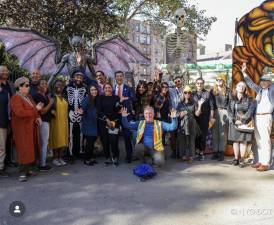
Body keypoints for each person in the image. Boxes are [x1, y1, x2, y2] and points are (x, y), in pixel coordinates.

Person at [242, 63, 274, 171]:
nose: (263, 82)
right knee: (259, 140)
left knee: (265, 140)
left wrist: (268, 72)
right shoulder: (260, 90)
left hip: (266, 117)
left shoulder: (272, 90)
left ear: (270, 82)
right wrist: (244, 72)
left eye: (266, 80)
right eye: (262, 80)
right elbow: (250, 84)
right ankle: (260, 160)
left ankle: (266, 163)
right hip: (257, 117)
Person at [10, 77, 43, 182]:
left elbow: (34, 109)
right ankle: (22, 173)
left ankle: (28, 170)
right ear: (19, 87)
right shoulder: (15, 98)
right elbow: (20, 113)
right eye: (26, 85)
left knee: (30, 149)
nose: (29, 87)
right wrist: (35, 111)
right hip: (22, 129)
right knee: (24, 149)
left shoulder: (28, 97)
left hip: (31, 127)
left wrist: (38, 117)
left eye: (29, 85)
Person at [227, 81, 255, 168]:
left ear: (245, 88)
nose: (241, 87)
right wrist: (234, 120)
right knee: (235, 141)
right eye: (239, 85)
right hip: (234, 123)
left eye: (243, 86)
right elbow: (229, 110)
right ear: (236, 87)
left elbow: (250, 111)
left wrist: (242, 120)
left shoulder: (249, 98)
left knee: (243, 141)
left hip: (245, 123)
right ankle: (236, 159)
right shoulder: (232, 98)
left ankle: (242, 159)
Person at [176, 85, 203, 163]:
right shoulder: (180, 104)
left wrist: (200, 105)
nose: (187, 94)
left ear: (191, 94)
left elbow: (197, 114)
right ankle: (183, 155)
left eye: (189, 92)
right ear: (183, 94)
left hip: (192, 123)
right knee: (182, 139)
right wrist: (182, 114)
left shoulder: (194, 103)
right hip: (183, 123)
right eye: (185, 92)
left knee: (192, 139)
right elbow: (177, 115)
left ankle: (191, 155)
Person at [32, 78, 54, 171]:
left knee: (43, 143)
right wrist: (51, 103)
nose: (45, 85)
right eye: (42, 83)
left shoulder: (45, 96)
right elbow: (43, 111)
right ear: (38, 86)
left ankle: (41, 162)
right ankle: (42, 164)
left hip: (46, 121)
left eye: (46, 83)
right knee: (44, 143)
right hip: (43, 122)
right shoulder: (38, 96)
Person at [97, 83, 121, 167]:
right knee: (105, 141)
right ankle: (107, 157)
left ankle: (116, 157)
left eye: (109, 87)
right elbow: (99, 111)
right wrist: (106, 119)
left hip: (113, 122)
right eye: (106, 88)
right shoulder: (100, 98)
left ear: (112, 89)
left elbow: (117, 109)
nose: (107, 89)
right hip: (103, 122)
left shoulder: (116, 97)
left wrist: (119, 105)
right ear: (103, 89)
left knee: (114, 141)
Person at [65, 71, 87, 160]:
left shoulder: (85, 88)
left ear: (82, 79)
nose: (79, 79)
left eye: (80, 77)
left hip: (80, 114)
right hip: (70, 113)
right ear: (74, 77)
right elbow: (64, 99)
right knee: (70, 134)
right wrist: (68, 111)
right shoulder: (67, 87)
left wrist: (83, 110)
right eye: (77, 77)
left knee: (81, 134)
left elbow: (86, 100)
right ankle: (70, 153)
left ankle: (80, 151)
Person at [114, 71, 135, 163]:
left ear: (123, 77)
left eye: (120, 76)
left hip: (126, 115)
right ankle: (115, 156)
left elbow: (134, 98)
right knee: (114, 136)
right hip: (115, 116)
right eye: (117, 76)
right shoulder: (112, 88)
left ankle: (129, 156)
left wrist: (127, 98)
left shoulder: (128, 88)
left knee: (127, 136)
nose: (119, 77)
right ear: (115, 78)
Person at [192, 77, 216, 160]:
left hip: (205, 118)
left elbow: (212, 107)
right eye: (198, 83)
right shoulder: (192, 94)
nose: (199, 85)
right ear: (196, 84)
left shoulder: (208, 94)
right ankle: (197, 151)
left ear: (203, 84)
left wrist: (211, 118)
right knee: (195, 136)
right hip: (195, 118)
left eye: (201, 83)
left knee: (203, 135)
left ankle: (202, 152)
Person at [211, 73, 231, 161]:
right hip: (215, 111)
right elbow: (211, 103)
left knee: (223, 133)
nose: (218, 81)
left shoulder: (228, 90)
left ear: (224, 81)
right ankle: (215, 152)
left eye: (220, 80)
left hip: (224, 111)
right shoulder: (212, 91)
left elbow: (231, 103)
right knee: (215, 132)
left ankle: (222, 152)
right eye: (217, 80)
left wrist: (229, 114)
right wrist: (211, 115)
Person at [49, 80, 68, 166]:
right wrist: (51, 111)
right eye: (57, 85)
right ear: (54, 86)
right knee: (56, 139)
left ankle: (60, 157)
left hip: (64, 121)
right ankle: (55, 158)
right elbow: (48, 107)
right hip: (55, 121)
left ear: (63, 87)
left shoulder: (64, 96)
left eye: (61, 85)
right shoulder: (51, 96)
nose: (59, 86)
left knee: (62, 139)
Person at [0, 66, 16, 168]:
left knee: (8, 141)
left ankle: (8, 161)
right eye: (2, 71)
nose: (5, 72)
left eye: (6, 71)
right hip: (0, 118)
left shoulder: (10, 84)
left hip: (9, 118)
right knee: (1, 145)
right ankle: (1, 167)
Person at [79, 85, 99, 166]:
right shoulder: (87, 99)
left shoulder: (96, 99)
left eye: (95, 90)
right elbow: (82, 109)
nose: (94, 91)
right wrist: (81, 112)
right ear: (89, 91)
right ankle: (86, 159)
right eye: (92, 90)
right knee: (89, 143)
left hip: (95, 125)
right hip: (88, 124)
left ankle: (90, 157)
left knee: (92, 142)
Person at [169, 76, 184, 158]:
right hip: (174, 115)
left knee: (181, 134)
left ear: (181, 81)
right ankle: (174, 151)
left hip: (182, 115)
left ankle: (180, 151)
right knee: (173, 134)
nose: (177, 83)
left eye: (179, 81)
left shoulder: (185, 91)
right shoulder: (171, 91)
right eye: (176, 82)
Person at [0, 74, 10, 177]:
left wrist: (9, 122)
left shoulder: (6, 93)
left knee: (2, 148)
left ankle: (0, 168)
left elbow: (8, 110)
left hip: (2, 124)